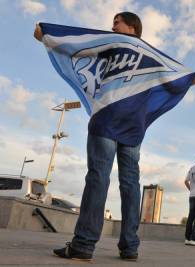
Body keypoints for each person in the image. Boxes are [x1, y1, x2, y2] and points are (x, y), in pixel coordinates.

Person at [34, 12, 144, 262]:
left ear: (131, 26)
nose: (112, 25)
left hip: (108, 116)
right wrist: (185, 79)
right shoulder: (149, 54)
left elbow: (76, 44)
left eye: (117, 21)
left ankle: (84, 245)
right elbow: (166, 77)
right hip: (133, 124)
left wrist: (47, 36)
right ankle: (130, 247)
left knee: (99, 176)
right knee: (130, 183)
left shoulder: (108, 43)